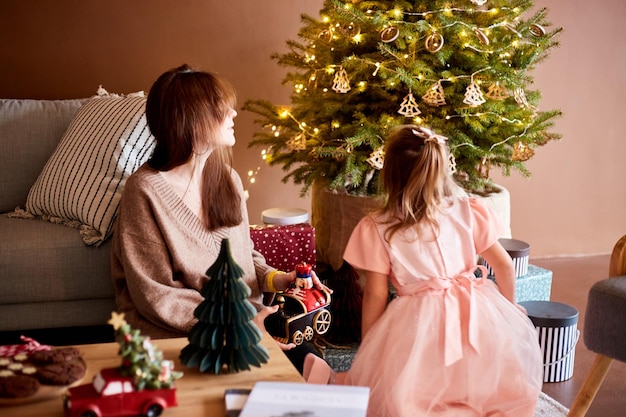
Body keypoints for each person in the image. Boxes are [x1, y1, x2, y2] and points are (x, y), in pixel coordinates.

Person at [304, 125, 542, 416]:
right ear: (442, 168)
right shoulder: (468, 210)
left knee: (410, 391)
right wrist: (509, 309)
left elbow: (376, 296)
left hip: (417, 322)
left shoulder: (379, 228)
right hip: (476, 312)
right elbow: (504, 265)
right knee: (483, 381)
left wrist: (371, 349)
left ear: (389, 174)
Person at [111, 64, 327, 372]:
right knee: (288, 374)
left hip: (243, 319)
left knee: (313, 364)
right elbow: (156, 295)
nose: (233, 114)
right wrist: (240, 326)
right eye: (221, 108)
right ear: (191, 120)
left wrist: (280, 278)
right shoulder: (143, 192)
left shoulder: (227, 179)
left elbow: (243, 255)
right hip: (186, 333)